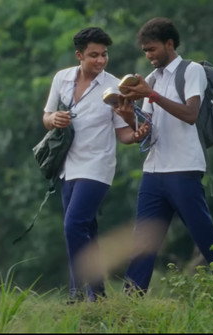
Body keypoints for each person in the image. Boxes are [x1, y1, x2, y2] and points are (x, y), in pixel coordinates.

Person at [43, 26, 149, 303]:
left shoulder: (113, 87)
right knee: (86, 229)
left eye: (104, 54)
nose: (101, 60)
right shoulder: (62, 78)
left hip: (97, 166)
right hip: (67, 165)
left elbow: (124, 135)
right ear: (79, 55)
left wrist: (136, 132)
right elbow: (46, 116)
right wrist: (54, 119)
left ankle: (77, 292)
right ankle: (97, 295)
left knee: (73, 224)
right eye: (94, 55)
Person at [119, 17, 213, 294]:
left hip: (183, 168)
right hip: (154, 169)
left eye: (152, 49)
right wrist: (129, 117)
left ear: (169, 44)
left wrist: (151, 94)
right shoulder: (152, 79)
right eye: (145, 51)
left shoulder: (192, 71)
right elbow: (148, 129)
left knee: (204, 234)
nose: (148, 55)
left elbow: (190, 114)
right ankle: (129, 302)